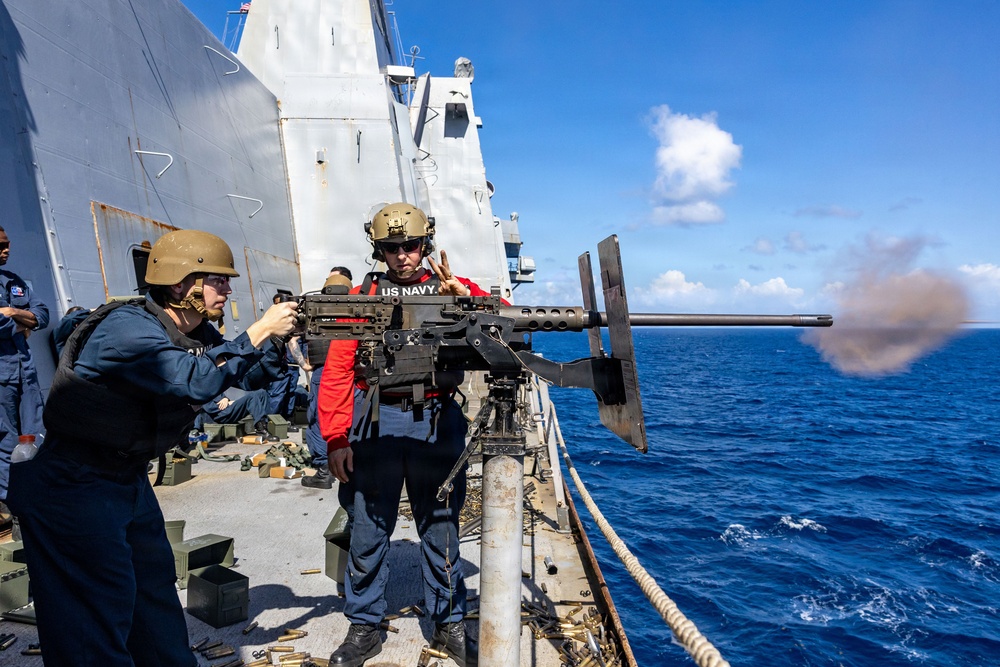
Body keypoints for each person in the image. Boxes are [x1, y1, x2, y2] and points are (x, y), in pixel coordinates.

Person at [6, 229, 298, 666]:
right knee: (91, 621)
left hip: (126, 478)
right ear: (181, 284)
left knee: (153, 601)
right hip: (73, 483)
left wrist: (276, 341)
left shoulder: (194, 331)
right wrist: (259, 331)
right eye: (217, 279)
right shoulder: (125, 329)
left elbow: (245, 376)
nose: (227, 289)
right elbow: (195, 379)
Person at [319, 203, 490, 667]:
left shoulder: (453, 288)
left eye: (410, 246)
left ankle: (449, 623)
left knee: (441, 527)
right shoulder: (363, 298)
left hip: (436, 418)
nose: (402, 256)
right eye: (392, 248)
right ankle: (364, 626)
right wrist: (336, 439)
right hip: (377, 421)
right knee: (368, 528)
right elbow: (337, 371)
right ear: (379, 250)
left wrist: (467, 298)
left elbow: (503, 324)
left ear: (425, 244)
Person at [0, 225, 50, 503]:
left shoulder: (13, 280)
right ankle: (11, 502)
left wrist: (12, 311)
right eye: (0, 246)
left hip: (25, 373)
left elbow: (42, 314)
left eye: (7, 244)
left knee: (34, 434)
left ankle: (37, 494)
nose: (6, 249)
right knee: (5, 440)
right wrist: (22, 324)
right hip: (2, 376)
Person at [302, 266, 353, 490]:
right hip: (349, 371)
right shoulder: (357, 306)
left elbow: (294, 338)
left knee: (319, 419)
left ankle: (324, 470)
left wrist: (304, 364)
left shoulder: (316, 306)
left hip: (325, 371)